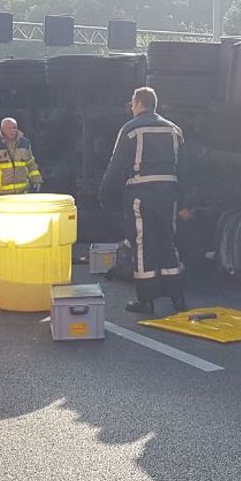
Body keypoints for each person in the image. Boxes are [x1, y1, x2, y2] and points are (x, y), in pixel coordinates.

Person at [99, 87, 187, 314]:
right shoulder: (174, 130)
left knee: (142, 245)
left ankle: (146, 300)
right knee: (167, 242)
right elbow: (186, 168)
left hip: (141, 194)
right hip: (169, 194)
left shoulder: (131, 129)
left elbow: (116, 166)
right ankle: (177, 298)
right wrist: (186, 202)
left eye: (132, 102)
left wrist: (106, 195)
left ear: (138, 104)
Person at [0, 117, 42, 196]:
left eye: (14, 127)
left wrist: (36, 180)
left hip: (21, 192)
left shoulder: (24, 143)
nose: (13, 130)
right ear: (2, 128)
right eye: (9, 128)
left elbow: (31, 164)